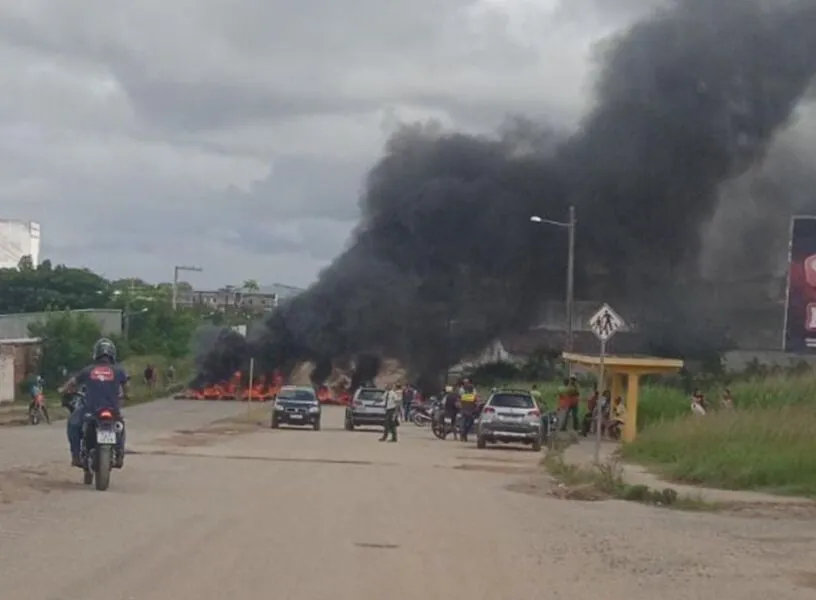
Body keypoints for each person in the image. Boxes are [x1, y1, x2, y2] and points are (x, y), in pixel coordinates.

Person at [58, 338, 130, 468]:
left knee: (73, 424)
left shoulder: (88, 370)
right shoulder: (119, 370)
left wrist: (63, 390)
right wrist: (126, 396)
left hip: (91, 410)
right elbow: (126, 387)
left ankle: (76, 456)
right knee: (120, 426)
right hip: (112, 410)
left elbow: (72, 382)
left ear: (96, 353)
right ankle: (119, 453)